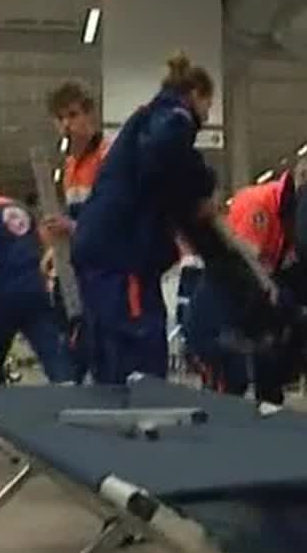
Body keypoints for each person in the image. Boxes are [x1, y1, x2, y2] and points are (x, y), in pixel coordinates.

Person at [71, 51, 218, 384]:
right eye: (208, 104)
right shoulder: (175, 115)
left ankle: (113, 422)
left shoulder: (146, 118)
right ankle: (146, 416)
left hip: (99, 251)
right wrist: (201, 188)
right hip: (123, 254)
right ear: (196, 94)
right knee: (140, 344)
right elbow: (164, 153)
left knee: (109, 351)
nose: (208, 114)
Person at [185, 165, 307, 405]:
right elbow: (245, 266)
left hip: (251, 312)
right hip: (223, 312)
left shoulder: (300, 213)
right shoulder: (257, 204)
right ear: (302, 178)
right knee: (228, 386)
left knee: (268, 378)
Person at [0, 162, 76, 387]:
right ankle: (68, 393)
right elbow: (46, 245)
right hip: (35, 289)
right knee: (51, 350)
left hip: (4, 292)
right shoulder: (22, 210)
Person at [41, 81, 112, 383]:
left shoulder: (109, 157)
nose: (67, 125)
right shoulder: (69, 166)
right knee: (73, 348)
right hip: (78, 270)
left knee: (105, 354)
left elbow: (115, 218)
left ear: (90, 116)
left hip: (108, 271)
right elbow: (75, 216)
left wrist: (73, 228)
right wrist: (53, 248)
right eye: (61, 118)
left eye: (72, 115)